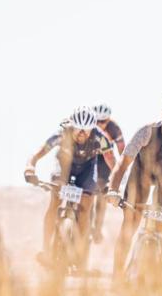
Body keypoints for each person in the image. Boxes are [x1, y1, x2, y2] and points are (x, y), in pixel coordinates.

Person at [105, 92, 162, 281]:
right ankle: (117, 275)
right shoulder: (146, 132)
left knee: (160, 229)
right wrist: (113, 190)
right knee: (129, 225)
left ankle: (156, 278)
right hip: (141, 177)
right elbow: (123, 163)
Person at [24, 106, 116, 263]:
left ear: (93, 128)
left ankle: (79, 251)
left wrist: (116, 184)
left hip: (87, 169)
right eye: (78, 129)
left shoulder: (100, 138)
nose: (82, 133)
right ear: (72, 126)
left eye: (86, 130)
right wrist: (29, 169)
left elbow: (112, 161)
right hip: (64, 166)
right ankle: (46, 249)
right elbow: (37, 154)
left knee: (86, 206)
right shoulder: (62, 133)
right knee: (55, 201)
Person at [88, 103, 126, 243]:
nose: (99, 124)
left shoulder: (114, 128)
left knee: (102, 194)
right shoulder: (88, 126)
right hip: (90, 157)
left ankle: (97, 228)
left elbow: (122, 149)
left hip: (105, 160)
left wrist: (122, 169)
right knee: (88, 192)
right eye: (96, 121)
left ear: (108, 120)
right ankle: (86, 223)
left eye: (103, 121)